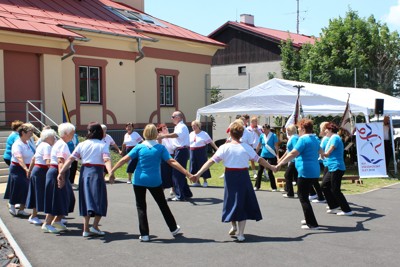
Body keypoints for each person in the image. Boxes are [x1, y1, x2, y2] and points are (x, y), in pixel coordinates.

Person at [193, 120, 273, 242]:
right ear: (241, 134)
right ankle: (240, 233)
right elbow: (259, 160)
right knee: (242, 202)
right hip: (243, 176)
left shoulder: (224, 147)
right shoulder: (246, 147)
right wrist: (272, 167)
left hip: (230, 176)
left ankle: (234, 225)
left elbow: (210, 161)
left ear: (230, 133)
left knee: (231, 201)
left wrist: (198, 174)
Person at [110, 124, 190, 242]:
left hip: (138, 180)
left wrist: (112, 171)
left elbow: (124, 159)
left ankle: (145, 234)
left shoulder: (139, 147)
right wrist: (187, 173)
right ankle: (173, 228)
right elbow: (172, 162)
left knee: (141, 206)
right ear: (155, 134)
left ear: (144, 134)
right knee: (162, 204)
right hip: (154, 180)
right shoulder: (160, 148)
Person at [58, 122, 114, 237]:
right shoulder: (102, 145)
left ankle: (85, 229)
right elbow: (106, 159)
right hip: (97, 173)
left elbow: (70, 159)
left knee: (86, 199)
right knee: (100, 199)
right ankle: (94, 226)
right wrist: (110, 171)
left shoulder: (81, 145)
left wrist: (61, 172)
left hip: (85, 173)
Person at [275, 118, 322, 230]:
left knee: (303, 197)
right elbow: (321, 151)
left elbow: (293, 153)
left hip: (305, 171)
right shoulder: (315, 139)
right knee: (305, 195)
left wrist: (279, 164)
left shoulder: (303, 139)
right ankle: (308, 219)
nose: (298, 130)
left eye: (299, 128)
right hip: (314, 170)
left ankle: (312, 224)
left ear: (304, 129)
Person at [42, 122, 76, 234]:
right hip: (57, 171)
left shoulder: (61, 143)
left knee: (66, 198)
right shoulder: (62, 144)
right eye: (72, 132)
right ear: (66, 133)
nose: (73, 134)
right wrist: (60, 175)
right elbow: (60, 161)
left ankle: (57, 220)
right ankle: (47, 223)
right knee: (56, 198)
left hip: (59, 172)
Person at [157, 111, 192, 201]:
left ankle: (180, 195)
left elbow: (176, 135)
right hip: (179, 151)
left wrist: (163, 136)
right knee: (179, 172)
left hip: (181, 150)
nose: (171, 118)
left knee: (176, 173)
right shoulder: (178, 126)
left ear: (178, 117)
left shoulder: (181, 126)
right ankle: (186, 193)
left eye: (173, 117)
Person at [321, 122, 354, 216]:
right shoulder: (331, 138)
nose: (324, 131)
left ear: (330, 129)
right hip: (331, 167)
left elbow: (328, 152)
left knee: (335, 190)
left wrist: (319, 153)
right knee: (324, 186)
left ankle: (347, 210)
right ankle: (333, 206)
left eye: (326, 129)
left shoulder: (335, 137)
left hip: (337, 167)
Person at [26, 129, 57, 225]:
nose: (54, 139)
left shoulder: (41, 145)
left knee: (38, 193)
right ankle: (34, 216)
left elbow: (33, 159)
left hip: (37, 170)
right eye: (53, 137)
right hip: (42, 171)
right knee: (40, 193)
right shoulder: (47, 146)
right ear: (48, 137)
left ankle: (36, 215)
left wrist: (30, 171)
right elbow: (48, 162)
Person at [5, 123, 35, 217]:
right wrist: (26, 169)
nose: (31, 134)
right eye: (30, 132)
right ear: (23, 132)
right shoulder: (17, 144)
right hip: (17, 168)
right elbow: (19, 158)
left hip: (27, 167)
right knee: (19, 186)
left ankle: (22, 209)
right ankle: (12, 204)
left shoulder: (27, 143)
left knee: (26, 188)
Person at [189, 120, 218, 187]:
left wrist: (217, 149)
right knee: (194, 166)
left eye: (195, 125)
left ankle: (205, 181)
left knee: (202, 165)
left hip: (201, 152)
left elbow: (211, 142)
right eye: (192, 126)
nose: (193, 127)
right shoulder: (191, 134)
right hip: (192, 151)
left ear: (198, 126)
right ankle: (197, 181)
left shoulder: (204, 134)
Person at [254, 124, 279, 191]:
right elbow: (259, 145)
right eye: (263, 129)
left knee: (270, 172)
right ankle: (257, 186)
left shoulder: (273, 136)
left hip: (271, 155)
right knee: (260, 171)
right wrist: (255, 153)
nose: (263, 130)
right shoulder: (262, 136)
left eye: (264, 129)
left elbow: (276, 146)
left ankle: (274, 187)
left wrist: (278, 156)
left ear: (268, 129)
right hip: (263, 155)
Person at [279, 124, 298, 198]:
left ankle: (290, 193)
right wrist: (281, 159)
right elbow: (288, 150)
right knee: (296, 177)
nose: (287, 132)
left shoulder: (294, 138)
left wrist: (285, 159)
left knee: (287, 175)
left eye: (288, 130)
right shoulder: (292, 138)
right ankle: (299, 192)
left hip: (294, 160)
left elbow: (295, 149)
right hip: (292, 159)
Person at [157, 124, 175, 194]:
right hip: (164, 157)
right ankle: (161, 190)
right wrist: (160, 138)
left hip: (172, 155)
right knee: (164, 174)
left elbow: (173, 146)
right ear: (161, 130)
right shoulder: (160, 137)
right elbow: (160, 146)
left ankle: (173, 189)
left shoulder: (170, 137)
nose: (166, 129)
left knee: (172, 173)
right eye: (164, 128)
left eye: (166, 127)